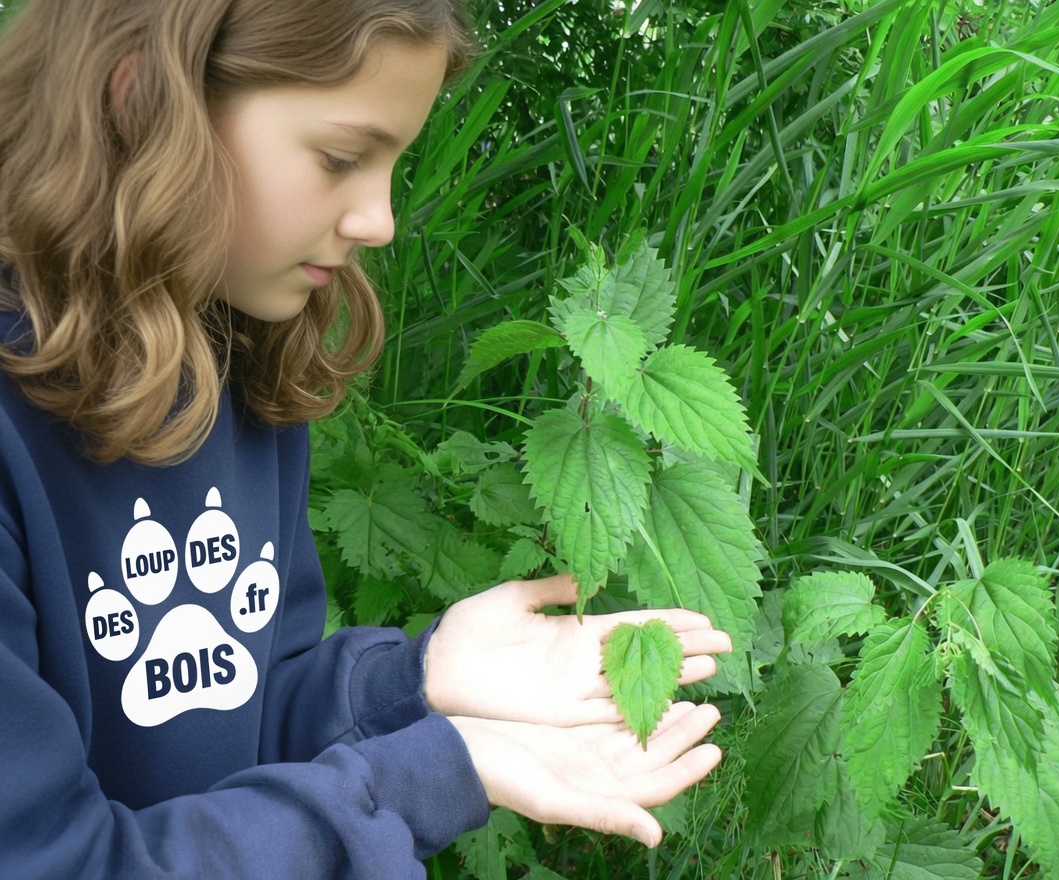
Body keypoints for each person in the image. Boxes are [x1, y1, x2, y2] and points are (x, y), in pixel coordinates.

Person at [0, 0, 732, 877]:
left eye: (393, 163)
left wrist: (414, 682)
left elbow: (245, 714)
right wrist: (430, 775)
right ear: (144, 100)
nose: (379, 220)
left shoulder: (233, 352)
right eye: (342, 158)